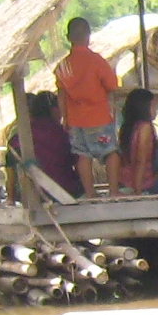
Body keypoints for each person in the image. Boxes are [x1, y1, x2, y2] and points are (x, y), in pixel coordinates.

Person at [54, 17, 121, 196]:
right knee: (111, 153)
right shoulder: (96, 61)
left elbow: (61, 95)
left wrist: (64, 117)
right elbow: (112, 86)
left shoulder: (62, 66)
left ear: (68, 37)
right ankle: (113, 191)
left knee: (82, 156)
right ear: (88, 36)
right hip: (98, 117)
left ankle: (90, 193)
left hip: (75, 120)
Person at [5, 90, 81, 200]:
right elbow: (78, 162)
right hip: (66, 191)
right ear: (54, 110)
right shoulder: (63, 134)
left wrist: (10, 199)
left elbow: (10, 170)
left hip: (30, 195)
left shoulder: (17, 138)